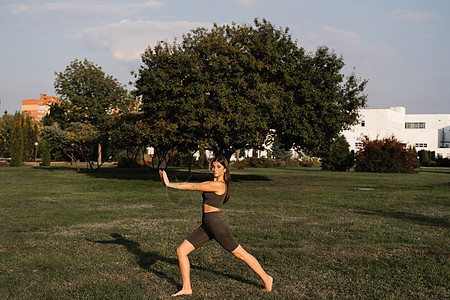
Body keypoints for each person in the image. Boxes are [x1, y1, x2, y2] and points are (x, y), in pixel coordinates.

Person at [159, 156, 273, 297]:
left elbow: (194, 186)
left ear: (225, 169)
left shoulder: (219, 185)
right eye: (213, 166)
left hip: (217, 226)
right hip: (206, 225)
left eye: (219, 167)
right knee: (181, 251)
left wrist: (170, 184)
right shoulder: (214, 182)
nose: (215, 169)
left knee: (241, 254)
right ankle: (187, 287)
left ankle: (267, 278)